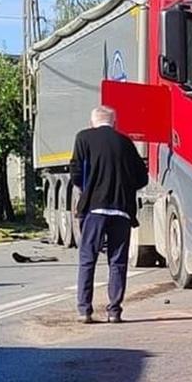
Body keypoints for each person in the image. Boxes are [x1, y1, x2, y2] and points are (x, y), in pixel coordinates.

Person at [70, 106, 148, 324]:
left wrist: (87, 189)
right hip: (121, 210)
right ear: (114, 123)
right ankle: (114, 311)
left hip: (94, 210)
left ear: (92, 122)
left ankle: (85, 310)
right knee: (118, 262)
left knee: (88, 259)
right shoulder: (126, 143)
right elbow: (142, 178)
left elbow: (76, 172)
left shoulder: (83, 138)